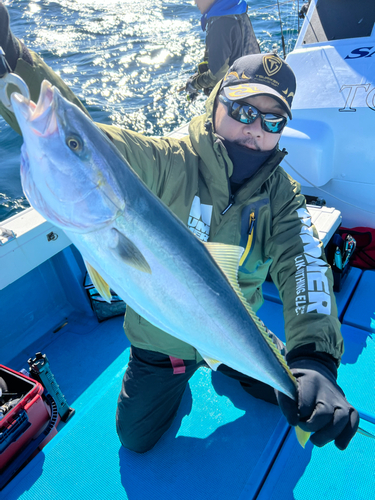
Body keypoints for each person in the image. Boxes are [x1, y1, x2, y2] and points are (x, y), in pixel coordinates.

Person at [0, 2, 359, 454]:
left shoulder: (281, 194)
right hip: (162, 339)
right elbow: (94, 145)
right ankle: (194, 371)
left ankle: (234, 364)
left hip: (234, 327)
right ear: (216, 105)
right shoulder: (168, 159)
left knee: (296, 395)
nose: (256, 131)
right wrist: (12, 56)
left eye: (273, 121)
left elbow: (305, 266)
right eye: (244, 111)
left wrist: (317, 357)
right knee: (136, 439)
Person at [185, 0, 260, 99]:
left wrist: (194, 84)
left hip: (236, 96)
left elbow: (217, 76)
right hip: (254, 86)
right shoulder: (236, 10)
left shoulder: (219, 23)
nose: (195, 2)